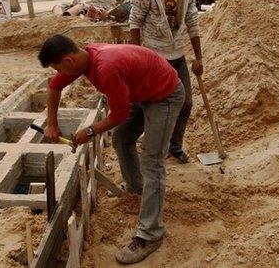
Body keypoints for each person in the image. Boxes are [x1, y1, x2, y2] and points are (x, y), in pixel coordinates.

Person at [38, 35, 184, 264]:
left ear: (68, 60)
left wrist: (89, 131)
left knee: (152, 159)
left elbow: (120, 114)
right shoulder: (82, 59)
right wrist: (52, 123)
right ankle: (138, 190)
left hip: (165, 95)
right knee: (122, 139)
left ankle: (150, 234)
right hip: (143, 90)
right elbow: (54, 86)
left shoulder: (106, 68)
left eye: (59, 68)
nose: (61, 74)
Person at [129, 0, 202, 164]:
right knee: (151, 104)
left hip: (177, 56)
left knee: (186, 103)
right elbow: (135, 21)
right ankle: (152, 146)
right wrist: (137, 55)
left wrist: (199, 58)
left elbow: (192, 23)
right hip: (153, 57)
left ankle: (174, 146)